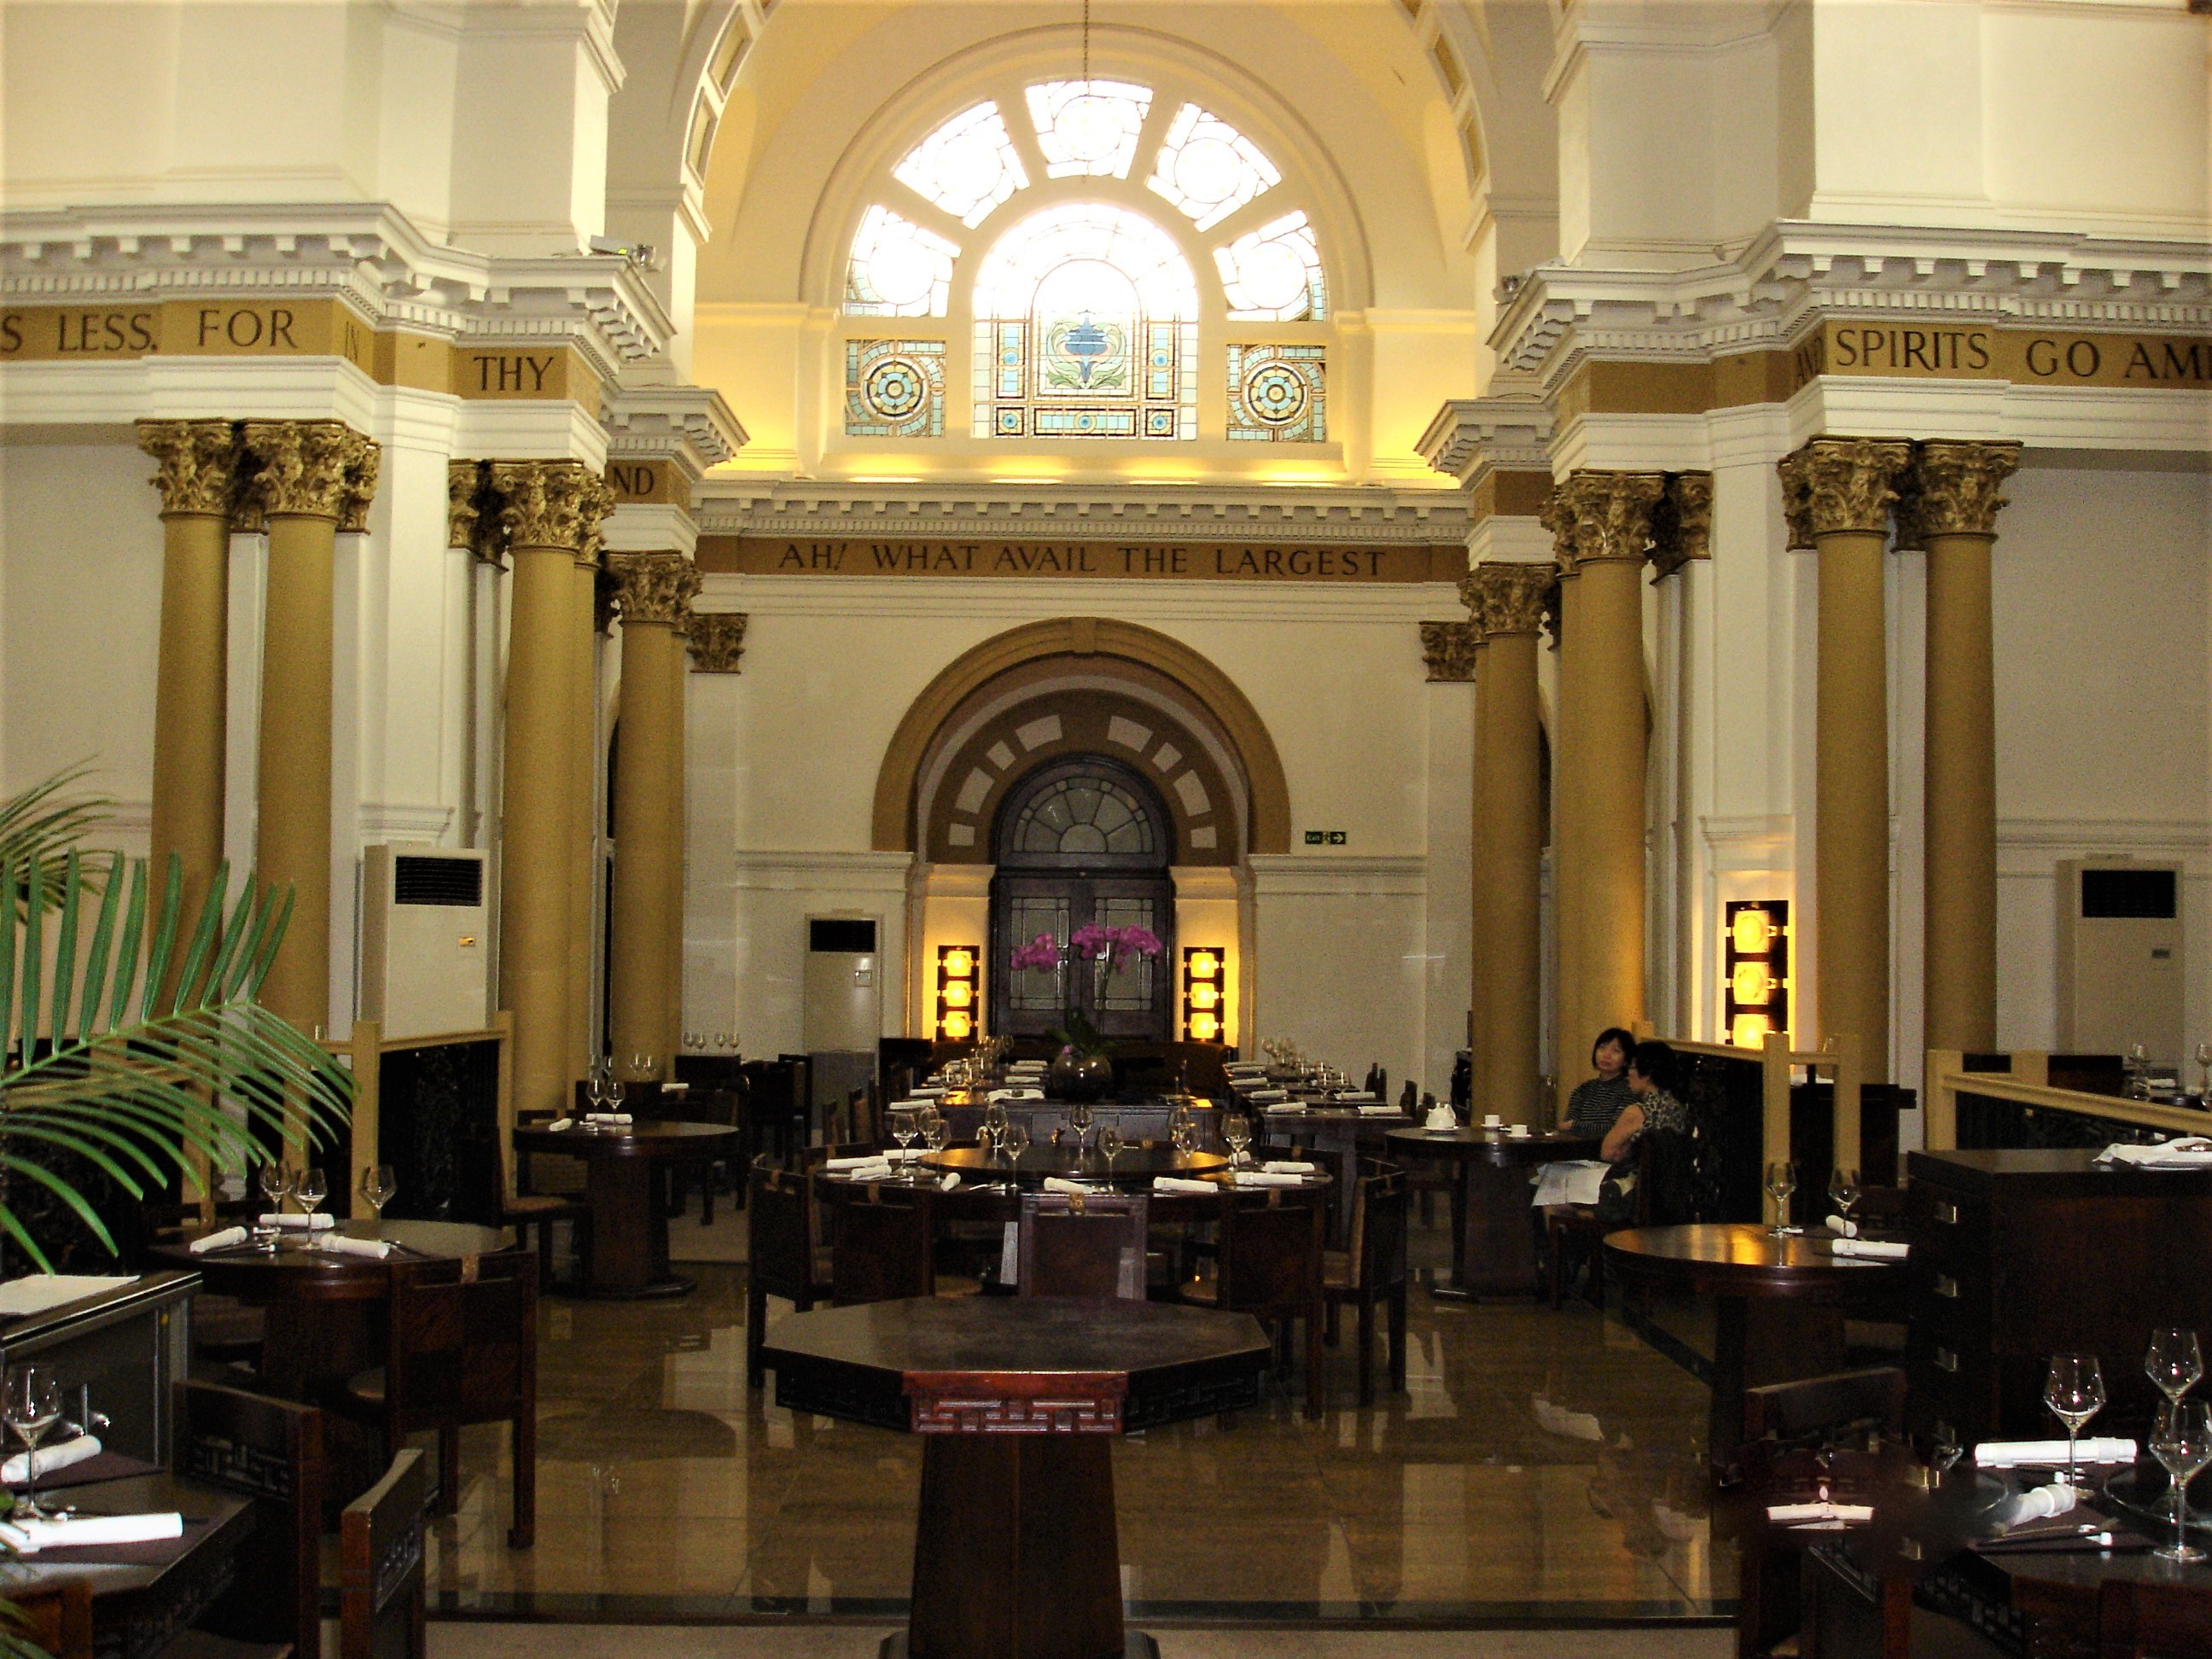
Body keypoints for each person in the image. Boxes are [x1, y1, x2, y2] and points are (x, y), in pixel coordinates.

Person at [1561, 1027, 1639, 1138]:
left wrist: (1575, 1126)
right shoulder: (1583, 1089)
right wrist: (1573, 1126)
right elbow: (1566, 1126)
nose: (1606, 1055)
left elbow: (1616, 1129)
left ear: (1626, 1059)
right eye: (1602, 1048)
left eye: (1616, 1050)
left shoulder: (1630, 1089)